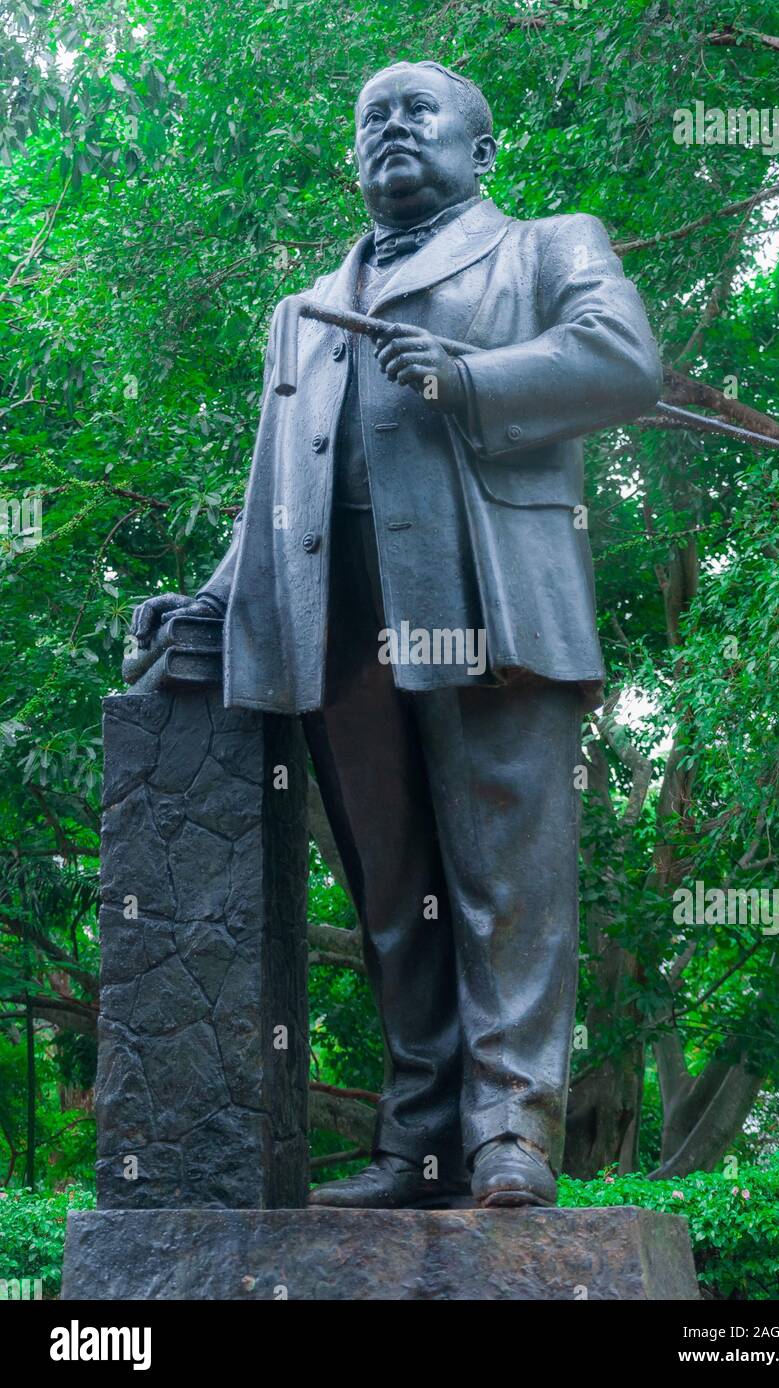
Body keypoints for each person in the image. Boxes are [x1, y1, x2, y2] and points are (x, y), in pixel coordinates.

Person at [132, 59, 662, 1208]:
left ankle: (511, 1131)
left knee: (503, 873)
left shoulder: (544, 245)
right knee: (390, 887)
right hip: (336, 620)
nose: (391, 129)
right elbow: (272, 482)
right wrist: (217, 602)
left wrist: (470, 380)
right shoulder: (304, 308)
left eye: (418, 112)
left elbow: (624, 360)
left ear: (479, 153)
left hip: (485, 601)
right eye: (371, 118)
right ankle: (419, 1144)